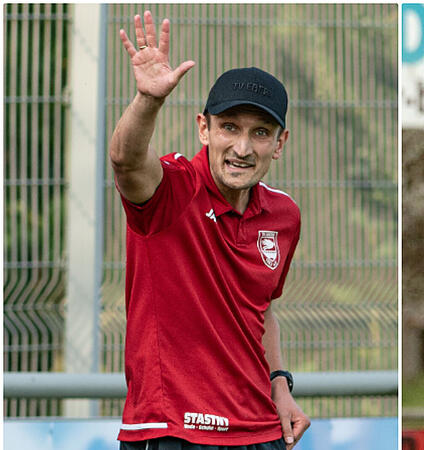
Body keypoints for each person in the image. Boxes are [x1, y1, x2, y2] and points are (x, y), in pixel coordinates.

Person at [111, 11, 310, 450]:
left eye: (260, 132)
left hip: (261, 432)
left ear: (279, 144)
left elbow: (261, 309)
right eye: (229, 127)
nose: (242, 148)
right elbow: (126, 161)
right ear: (204, 129)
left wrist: (279, 383)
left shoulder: (285, 215)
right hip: (173, 430)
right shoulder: (170, 189)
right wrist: (148, 100)